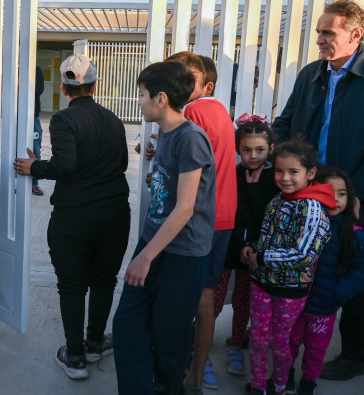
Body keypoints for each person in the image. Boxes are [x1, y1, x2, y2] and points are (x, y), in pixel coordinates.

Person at [272, 0, 364, 380]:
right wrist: (265, 157)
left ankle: (354, 355)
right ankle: (286, 338)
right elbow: (285, 125)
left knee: (353, 277)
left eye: (327, 32)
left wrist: (357, 192)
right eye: (318, 31)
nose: (319, 39)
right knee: (303, 267)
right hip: (309, 196)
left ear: (356, 34)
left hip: (356, 200)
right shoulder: (310, 75)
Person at [13, 54, 130, 380]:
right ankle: (94, 343)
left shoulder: (64, 121)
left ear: (64, 89)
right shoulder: (113, 119)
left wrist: (33, 167)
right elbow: (121, 163)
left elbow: (65, 164)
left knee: (73, 285)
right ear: (95, 86)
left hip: (74, 217)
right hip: (114, 213)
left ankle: (75, 357)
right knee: (105, 280)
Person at [113, 60, 215, 395]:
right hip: (154, 241)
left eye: (141, 95)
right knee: (127, 326)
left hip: (182, 254)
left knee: (170, 342)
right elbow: (176, 191)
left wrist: (145, 257)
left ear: (160, 98)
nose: (138, 101)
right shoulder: (165, 133)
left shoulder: (191, 138)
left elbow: (186, 209)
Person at [165, 53, 237, 393]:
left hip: (198, 219)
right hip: (223, 217)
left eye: (187, 77)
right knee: (205, 296)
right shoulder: (222, 111)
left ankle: (181, 367)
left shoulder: (192, 112)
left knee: (185, 297)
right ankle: (198, 370)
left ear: (205, 84)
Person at [240, 139, 335, 395]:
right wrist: (252, 246)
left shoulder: (313, 209)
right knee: (259, 339)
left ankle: (279, 385)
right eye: (280, 171)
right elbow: (266, 235)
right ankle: (259, 386)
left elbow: (304, 254)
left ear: (310, 173)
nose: (285, 178)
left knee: (280, 342)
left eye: (294, 172)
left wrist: (263, 257)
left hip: (290, 290)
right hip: (262, 284)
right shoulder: (277, 201)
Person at [287, 167, 364, 395]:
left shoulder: (356, 234)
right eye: (328, 191)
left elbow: (363, 271)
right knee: (289, 342)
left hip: (324, 307)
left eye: (343, 193)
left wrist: (339, 292)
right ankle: (284, 375)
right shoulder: (303, 223)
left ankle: (308, 382)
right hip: (295, 302)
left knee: (316, 349)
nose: (335, 199)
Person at [213, 115, 280, 382]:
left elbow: (263, 216)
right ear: (237, 149)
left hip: (252, 252)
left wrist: (254, 192)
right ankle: (201, 344)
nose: (253, 156)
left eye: (260, 150)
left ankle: (236, 345)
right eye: (246, 149)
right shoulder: (231, 173)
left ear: (270, 149)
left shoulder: (275, 179)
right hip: (226, 247)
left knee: (243, 302)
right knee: (214, 301)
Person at [32, 65, 45, 195]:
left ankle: (34, 183)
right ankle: (14, 181)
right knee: (13, 149)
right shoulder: (11, 66)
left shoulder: (36, 70)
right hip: (14, 115)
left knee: (35, 149)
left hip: (33, 115)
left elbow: (39, 89)